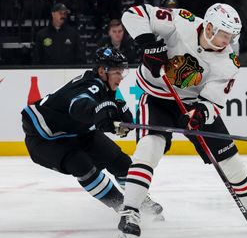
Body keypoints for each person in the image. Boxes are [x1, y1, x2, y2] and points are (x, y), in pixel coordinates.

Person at [115, 2, 247, 238]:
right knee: (149, 147)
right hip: (155, 98)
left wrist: (199, 114)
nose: (227, 41)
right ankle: (130, 211)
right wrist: (148, 44)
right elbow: (134, 14)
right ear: (210, 28)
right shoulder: (181, 22)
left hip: (192, 104)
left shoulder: (228, 63)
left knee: (228, 157)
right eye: (224, 34)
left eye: (230, 36)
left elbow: (213, 100)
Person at [21, 46, 163, 215]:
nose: (121, 77)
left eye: (122, 72)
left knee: (119, 161)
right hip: (44, 138)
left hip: (78, 132)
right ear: (103, 71)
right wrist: (97, 112)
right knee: (81, 164)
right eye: (117, 72)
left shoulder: (106, 88)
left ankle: (136, 199)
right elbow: (79, 106)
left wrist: (117, 123)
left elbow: (106, 114)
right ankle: (121, 206)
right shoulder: (91, 86)